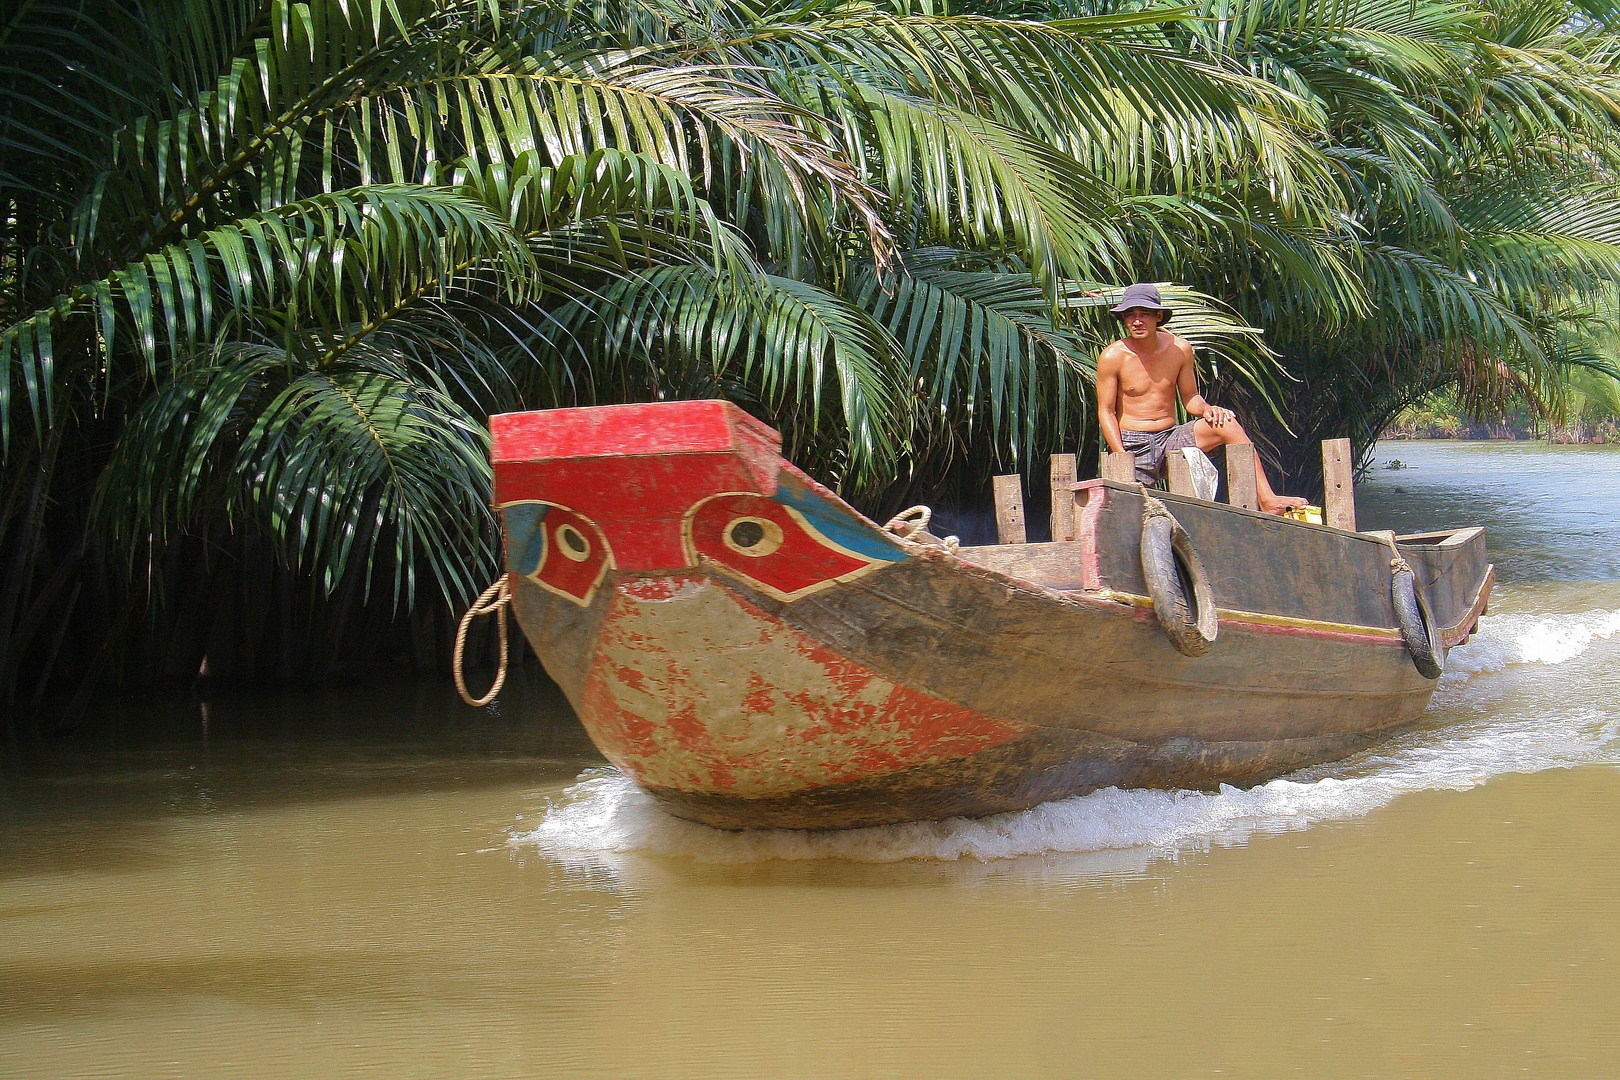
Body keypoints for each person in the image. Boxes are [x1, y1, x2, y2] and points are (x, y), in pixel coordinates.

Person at [1095, 283, 1306, 514]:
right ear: (1123, 319)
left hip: (1170, 437)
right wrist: (1120, 454)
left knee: (1226, 423)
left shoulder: (1179, 349)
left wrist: (1207, 409)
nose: (1137, 321)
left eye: (1144, 314)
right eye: (1130, 315)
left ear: (1158, 316)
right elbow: (1106, 411)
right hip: (1132, 443)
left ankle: (1267, 499)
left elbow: (1190, 397)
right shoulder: (1113, 355)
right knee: (1132, 514)